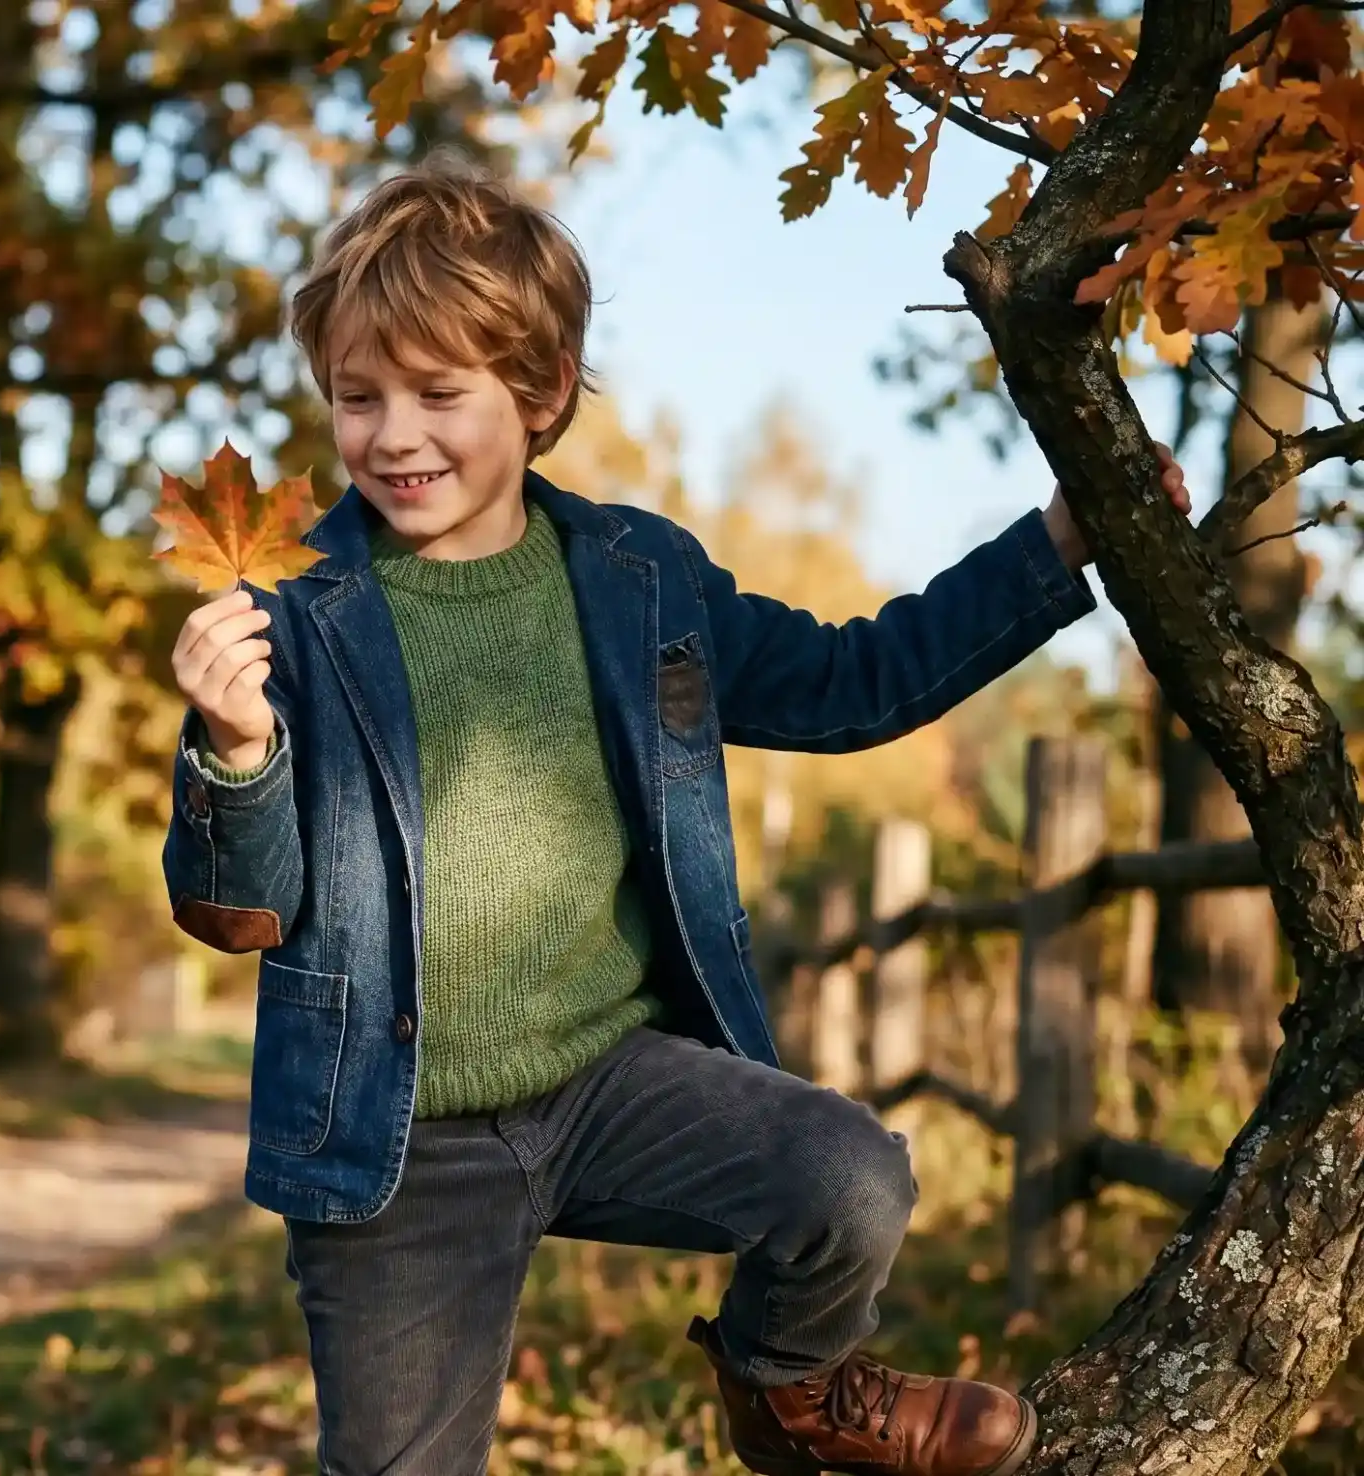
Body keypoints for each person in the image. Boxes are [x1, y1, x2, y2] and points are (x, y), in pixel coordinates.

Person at [160, 151, 1190, 1476]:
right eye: (358, 398)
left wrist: (1053, 547)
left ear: (536, 396)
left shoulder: (644, 579)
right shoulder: (298, 618)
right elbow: (242, 912)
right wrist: (236, 748)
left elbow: (851, 680)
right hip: (398, 1142)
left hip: (611, 1083)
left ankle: (789, 1389)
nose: (392, 434)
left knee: (850, 1180)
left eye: (436, 392)